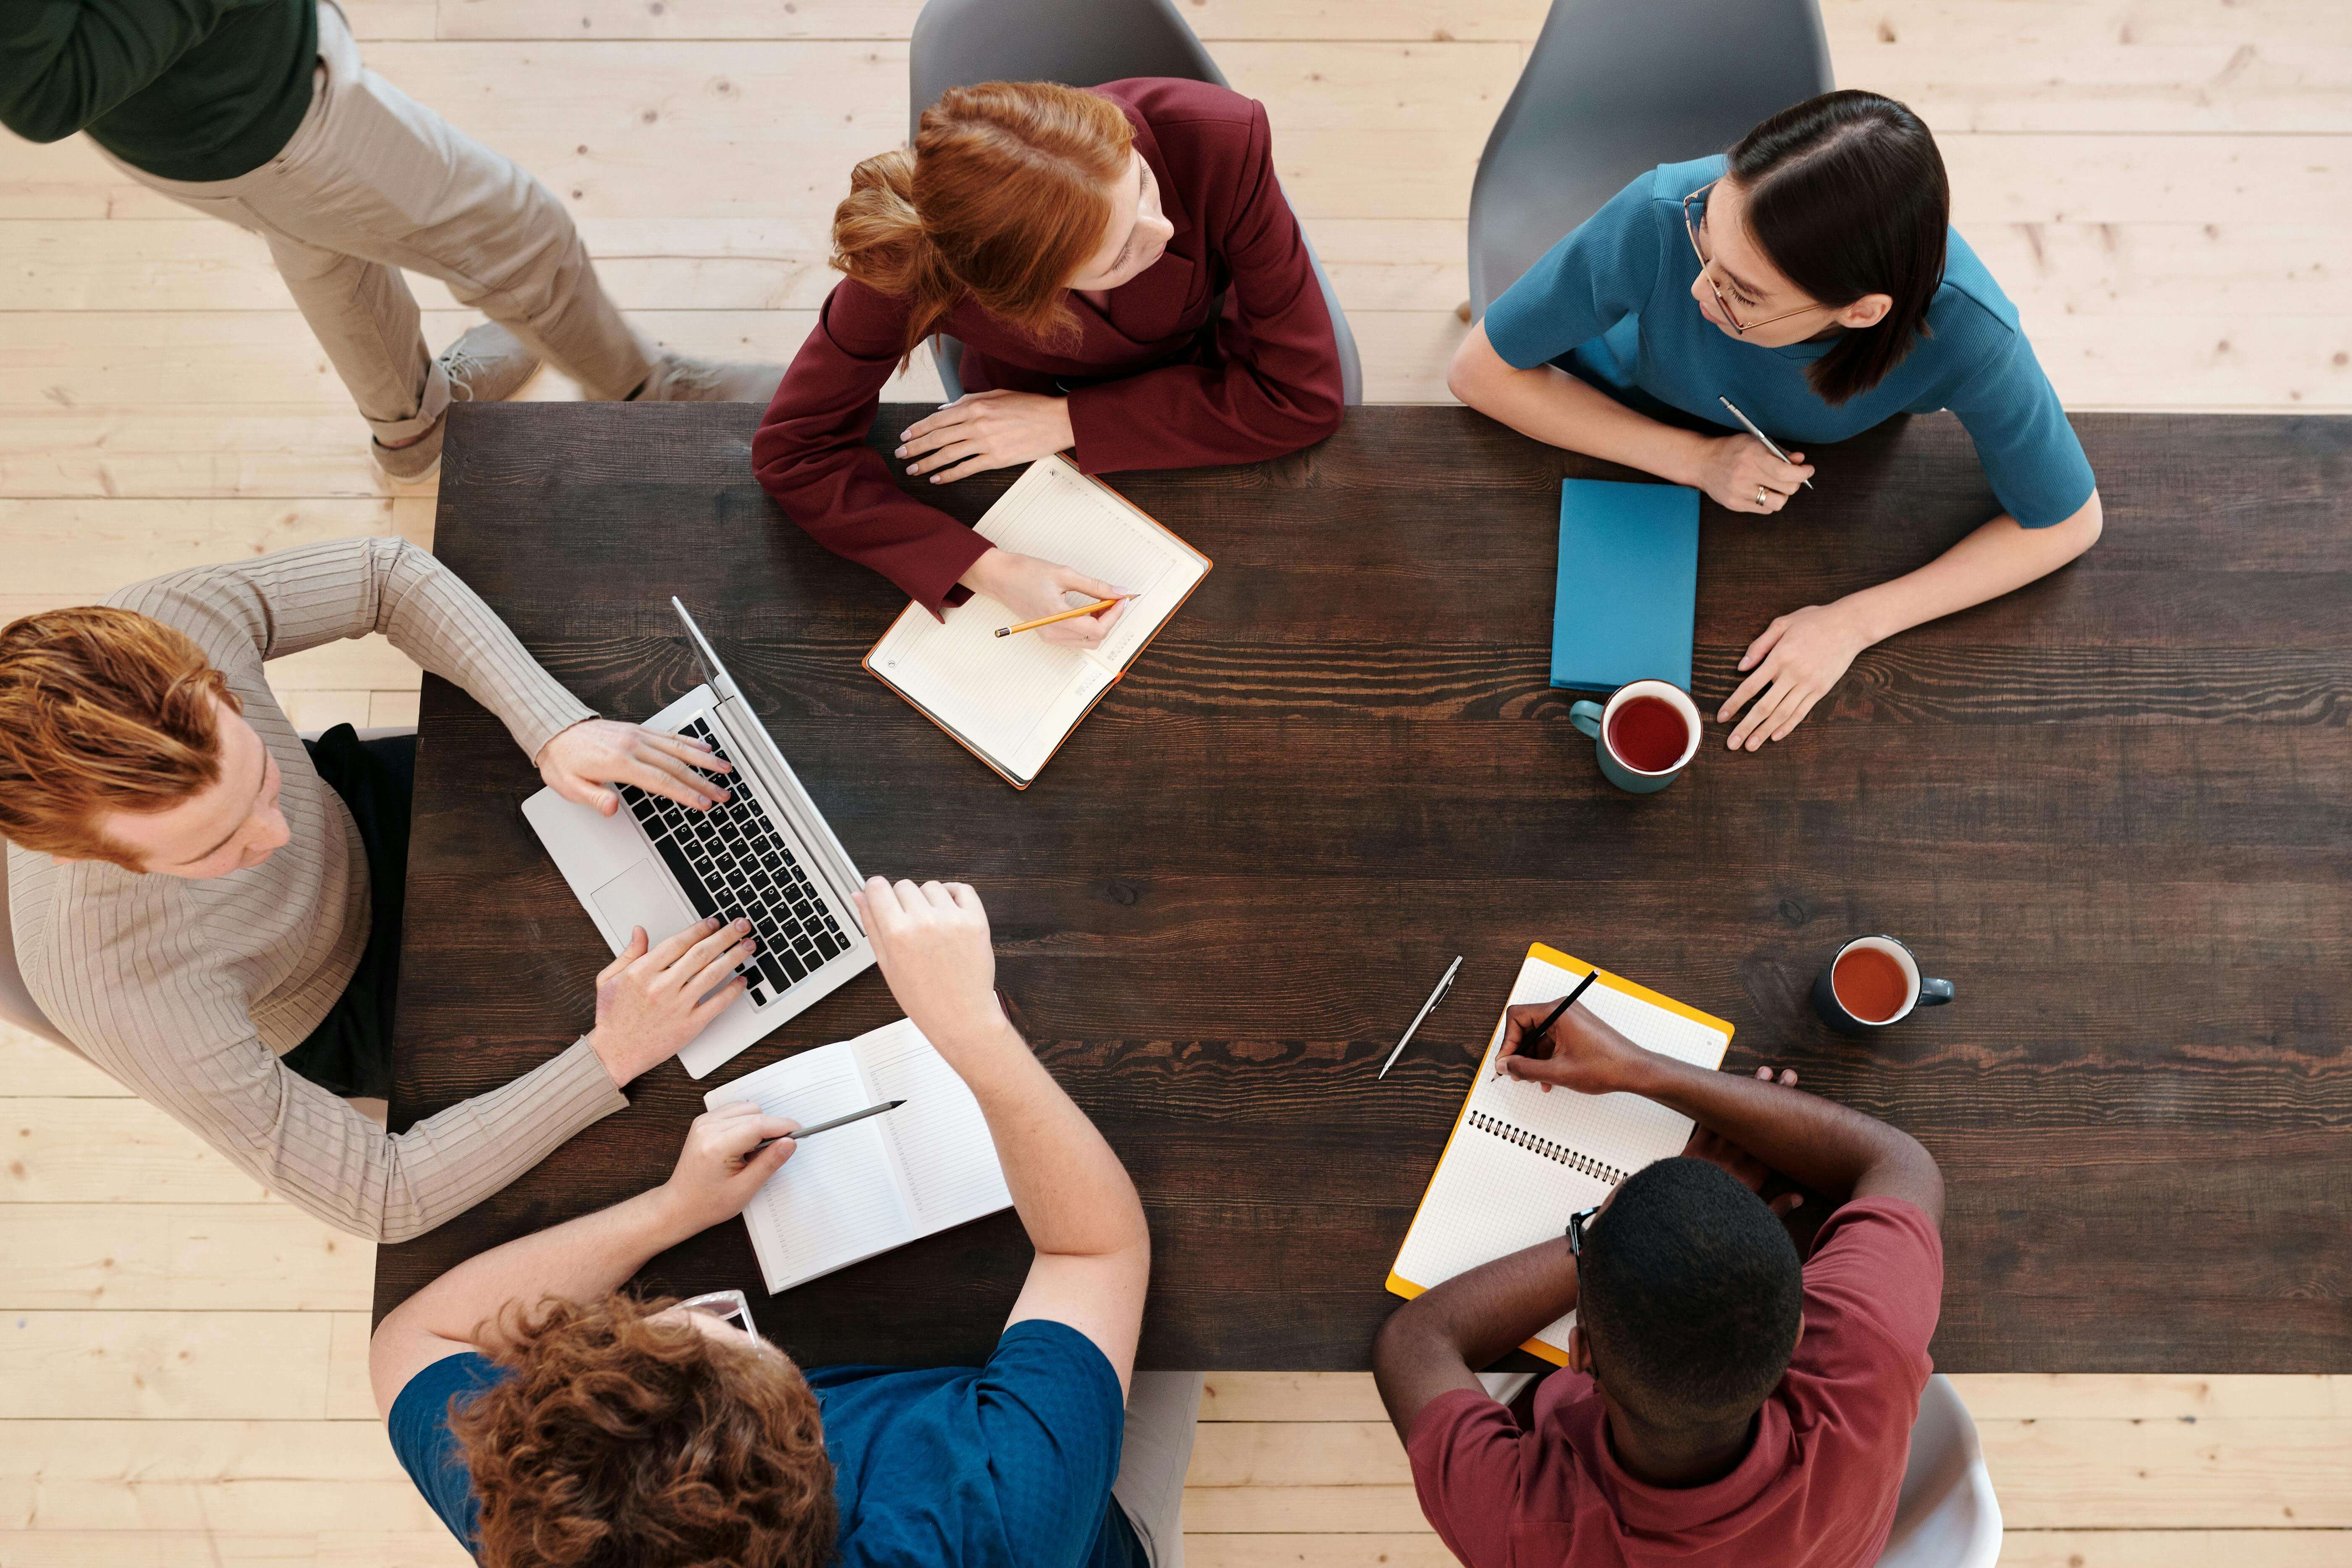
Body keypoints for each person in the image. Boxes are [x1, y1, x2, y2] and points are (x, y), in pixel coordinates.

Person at [371, 875, 1199, 1568]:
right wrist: (971, 1029)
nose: (683, 1308)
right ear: (809, 1451)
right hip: (1073, 1510)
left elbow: (412, 1343)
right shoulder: (998, 1523)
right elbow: (1093, 1249)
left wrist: (673, 1210)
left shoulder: (550, 1517)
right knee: (1192, 1294)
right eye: (719, 1331)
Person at [0, 537, 764, 1241]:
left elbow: (385, 575)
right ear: (85, 859)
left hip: (365, 806)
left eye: (261, 780)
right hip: (343, 1001)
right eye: (217, 846)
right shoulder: (115, 986)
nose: (275, 838)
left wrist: (551, 725)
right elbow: (383, 1195)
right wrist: (610, 1053)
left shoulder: (171, 622)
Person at [1449, 89, 2102, 751]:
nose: (1700, 288)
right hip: (1603, 402)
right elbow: (1477, 371)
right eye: (1707, 238)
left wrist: (1854, 623)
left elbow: (2069, 521)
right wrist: (1698, 460)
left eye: (1744, 293)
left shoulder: (1970, 329)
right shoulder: (1666, 212)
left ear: (1861, 313)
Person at [0, 0, 781, 483]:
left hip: (221, 112)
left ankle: (412, 428)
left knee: (322, 247)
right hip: (267, 125)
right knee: (526, 238)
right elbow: (41, 91)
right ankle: (643, 391)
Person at [754, 77, 1344, 646]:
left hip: (1198, 389)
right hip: (1019, 442)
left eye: (1140, 180)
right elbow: (795, 452)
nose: (1162, 227)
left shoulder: (1220, 139)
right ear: (1025, 295)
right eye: (1118, 259)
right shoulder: (912, 260)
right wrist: (989, 568)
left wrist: (1067, 421)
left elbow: (1301, 398)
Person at [1372, 994, 1945, 1568]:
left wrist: (1639, 1074)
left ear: (1582, 1350)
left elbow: (1413, 1341)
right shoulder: (1867, 1370)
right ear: (1796, 1333)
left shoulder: (1529, 1531)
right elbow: (1905, 1165)